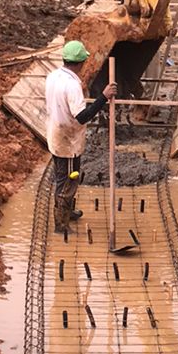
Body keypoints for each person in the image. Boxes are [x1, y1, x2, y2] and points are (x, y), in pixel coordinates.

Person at [45, 40, 116, 232]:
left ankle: (68, 210)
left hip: (56, 133)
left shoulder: (53, 76)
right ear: (79, 63)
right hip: (68, 141)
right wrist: (104, 97)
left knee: (65, 176)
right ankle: (61, 224)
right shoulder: (71, 85)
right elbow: (83, 116)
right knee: (68, 180)